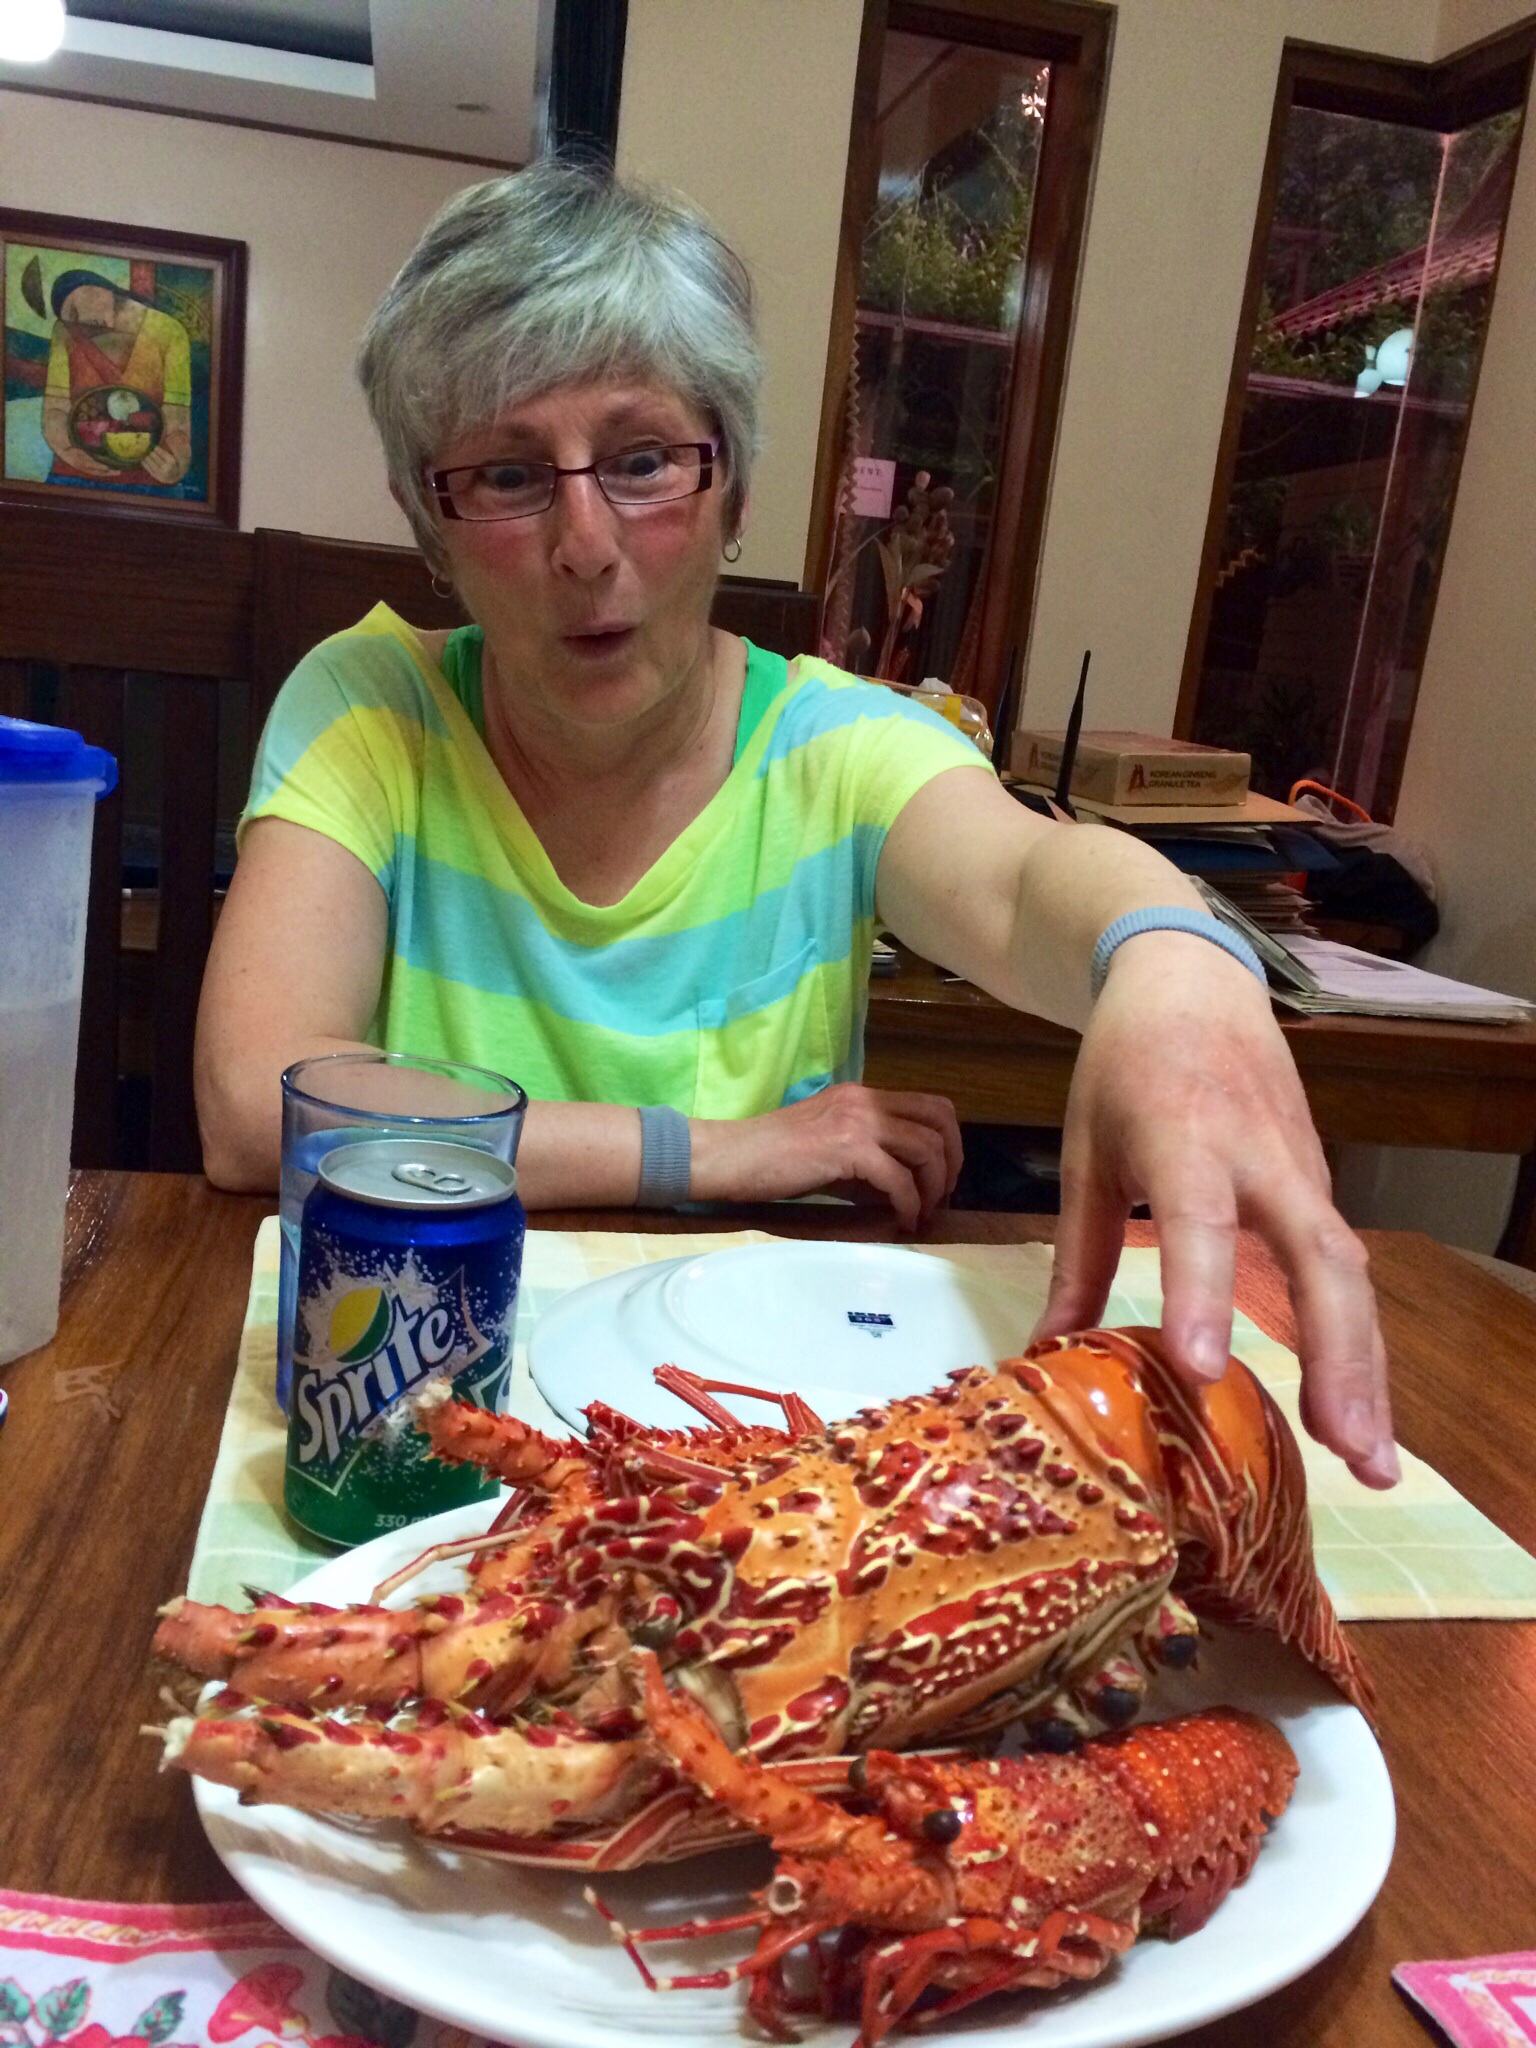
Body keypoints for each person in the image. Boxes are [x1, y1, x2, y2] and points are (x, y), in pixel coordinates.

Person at [195, 163, 1397, 1492]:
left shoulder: (840, 743)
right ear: (433, 521)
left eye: (644, 460)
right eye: (509, 475)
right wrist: (717, 1151)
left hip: (770, 1461)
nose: (586, 544)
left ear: (736, 489)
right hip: (425, 1414)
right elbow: (258, 1101)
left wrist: (1171, 961)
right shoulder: (368, 706)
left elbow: (1024, 878)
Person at [42, 270, 192, 489]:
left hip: (148, 479)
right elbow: (55, 409)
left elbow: (177, 419)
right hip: (73, 474)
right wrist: (68, 451)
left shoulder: (168, 330)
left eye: (74, 311)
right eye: (71, 321)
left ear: (98, 287)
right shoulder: (64, 332)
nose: (79, 323)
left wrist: (177, 467)